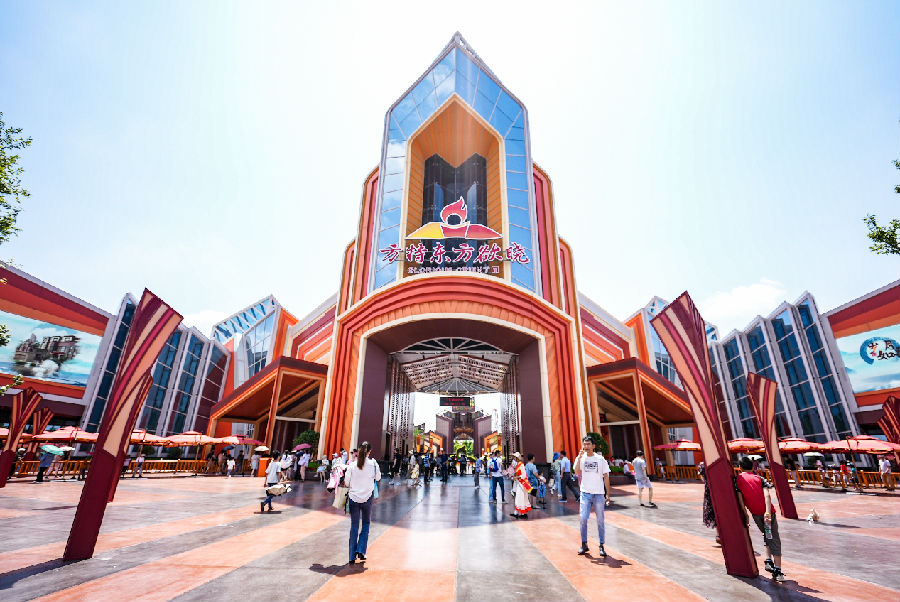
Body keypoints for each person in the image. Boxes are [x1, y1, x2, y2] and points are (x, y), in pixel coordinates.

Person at [736, 456, 785, 582]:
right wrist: (767, 512)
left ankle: (768, 560)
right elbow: (767, 495)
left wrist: (745, 513)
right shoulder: (759, 478)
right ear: (753, 467)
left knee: (767, 534)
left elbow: (740, 498)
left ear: (740, 467)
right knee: (774, 538)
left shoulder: (738, 479)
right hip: (768, 514)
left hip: (756, 514)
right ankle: (778, 570)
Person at [344, 441, 381, 565]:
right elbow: (378, 478)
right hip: (367, 498)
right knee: (366, 524)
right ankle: (361, 550)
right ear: (369, 452)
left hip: (353, 498)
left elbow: (346, 483)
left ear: (358, 451)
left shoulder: (352, 465)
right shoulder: (373, 464)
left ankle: (351, 556)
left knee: (354, 526)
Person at [574, 436, 611, 557]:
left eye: (588, 444)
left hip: (599, 494)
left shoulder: (600, 459)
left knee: (600, 520)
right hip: (585, 493)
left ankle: (601, 545)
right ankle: (584, 544)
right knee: (583, 518)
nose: (586, 446)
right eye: (584, 444)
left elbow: (606, 476)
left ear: (593, 446)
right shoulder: (581, 458)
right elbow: (576, 472)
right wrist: (579, 458)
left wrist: (608, 494)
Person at [508, 452, 533, 519]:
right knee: (519, 498)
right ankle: (517, 513)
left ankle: (522, 513)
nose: (514, 458)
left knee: (520, 498)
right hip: (519, 483)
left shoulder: (521, 465)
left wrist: (516, 477)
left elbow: (524, 475)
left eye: (514, 457)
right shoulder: (519, 465)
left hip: (522, 484)